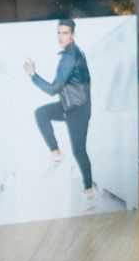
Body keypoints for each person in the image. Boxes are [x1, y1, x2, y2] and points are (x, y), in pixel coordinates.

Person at [24, 18, 95, 208]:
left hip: (78, 110)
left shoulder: (69, 57)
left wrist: (33, 74)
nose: (61, 37)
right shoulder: (72, 53)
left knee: (79, 151)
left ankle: (89, 191)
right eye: (59, 32)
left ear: (73, 35)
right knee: (41, 113)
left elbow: (52, 89)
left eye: (65, 33)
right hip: (69, 105)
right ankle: (56, 153)